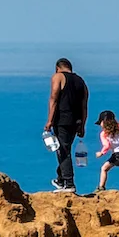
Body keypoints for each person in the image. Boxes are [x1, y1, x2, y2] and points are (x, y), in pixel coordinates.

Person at [44, 59, 89, 193]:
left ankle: (69, 183)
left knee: (63, 151)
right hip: (76, 121)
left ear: (57, 68)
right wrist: (82, 125)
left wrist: (49, 121)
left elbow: (53, 99)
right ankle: (60, 179)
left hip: (62, 119)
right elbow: (84, 105)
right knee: (65, 149)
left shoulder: (58, 77)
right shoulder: (81, 81)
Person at [94, 110, 119, 193]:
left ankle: (101, 187)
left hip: (117, 154)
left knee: (104, 169)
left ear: (103, 122)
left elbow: (106, 145)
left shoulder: (104, 134)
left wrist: (101, 153)